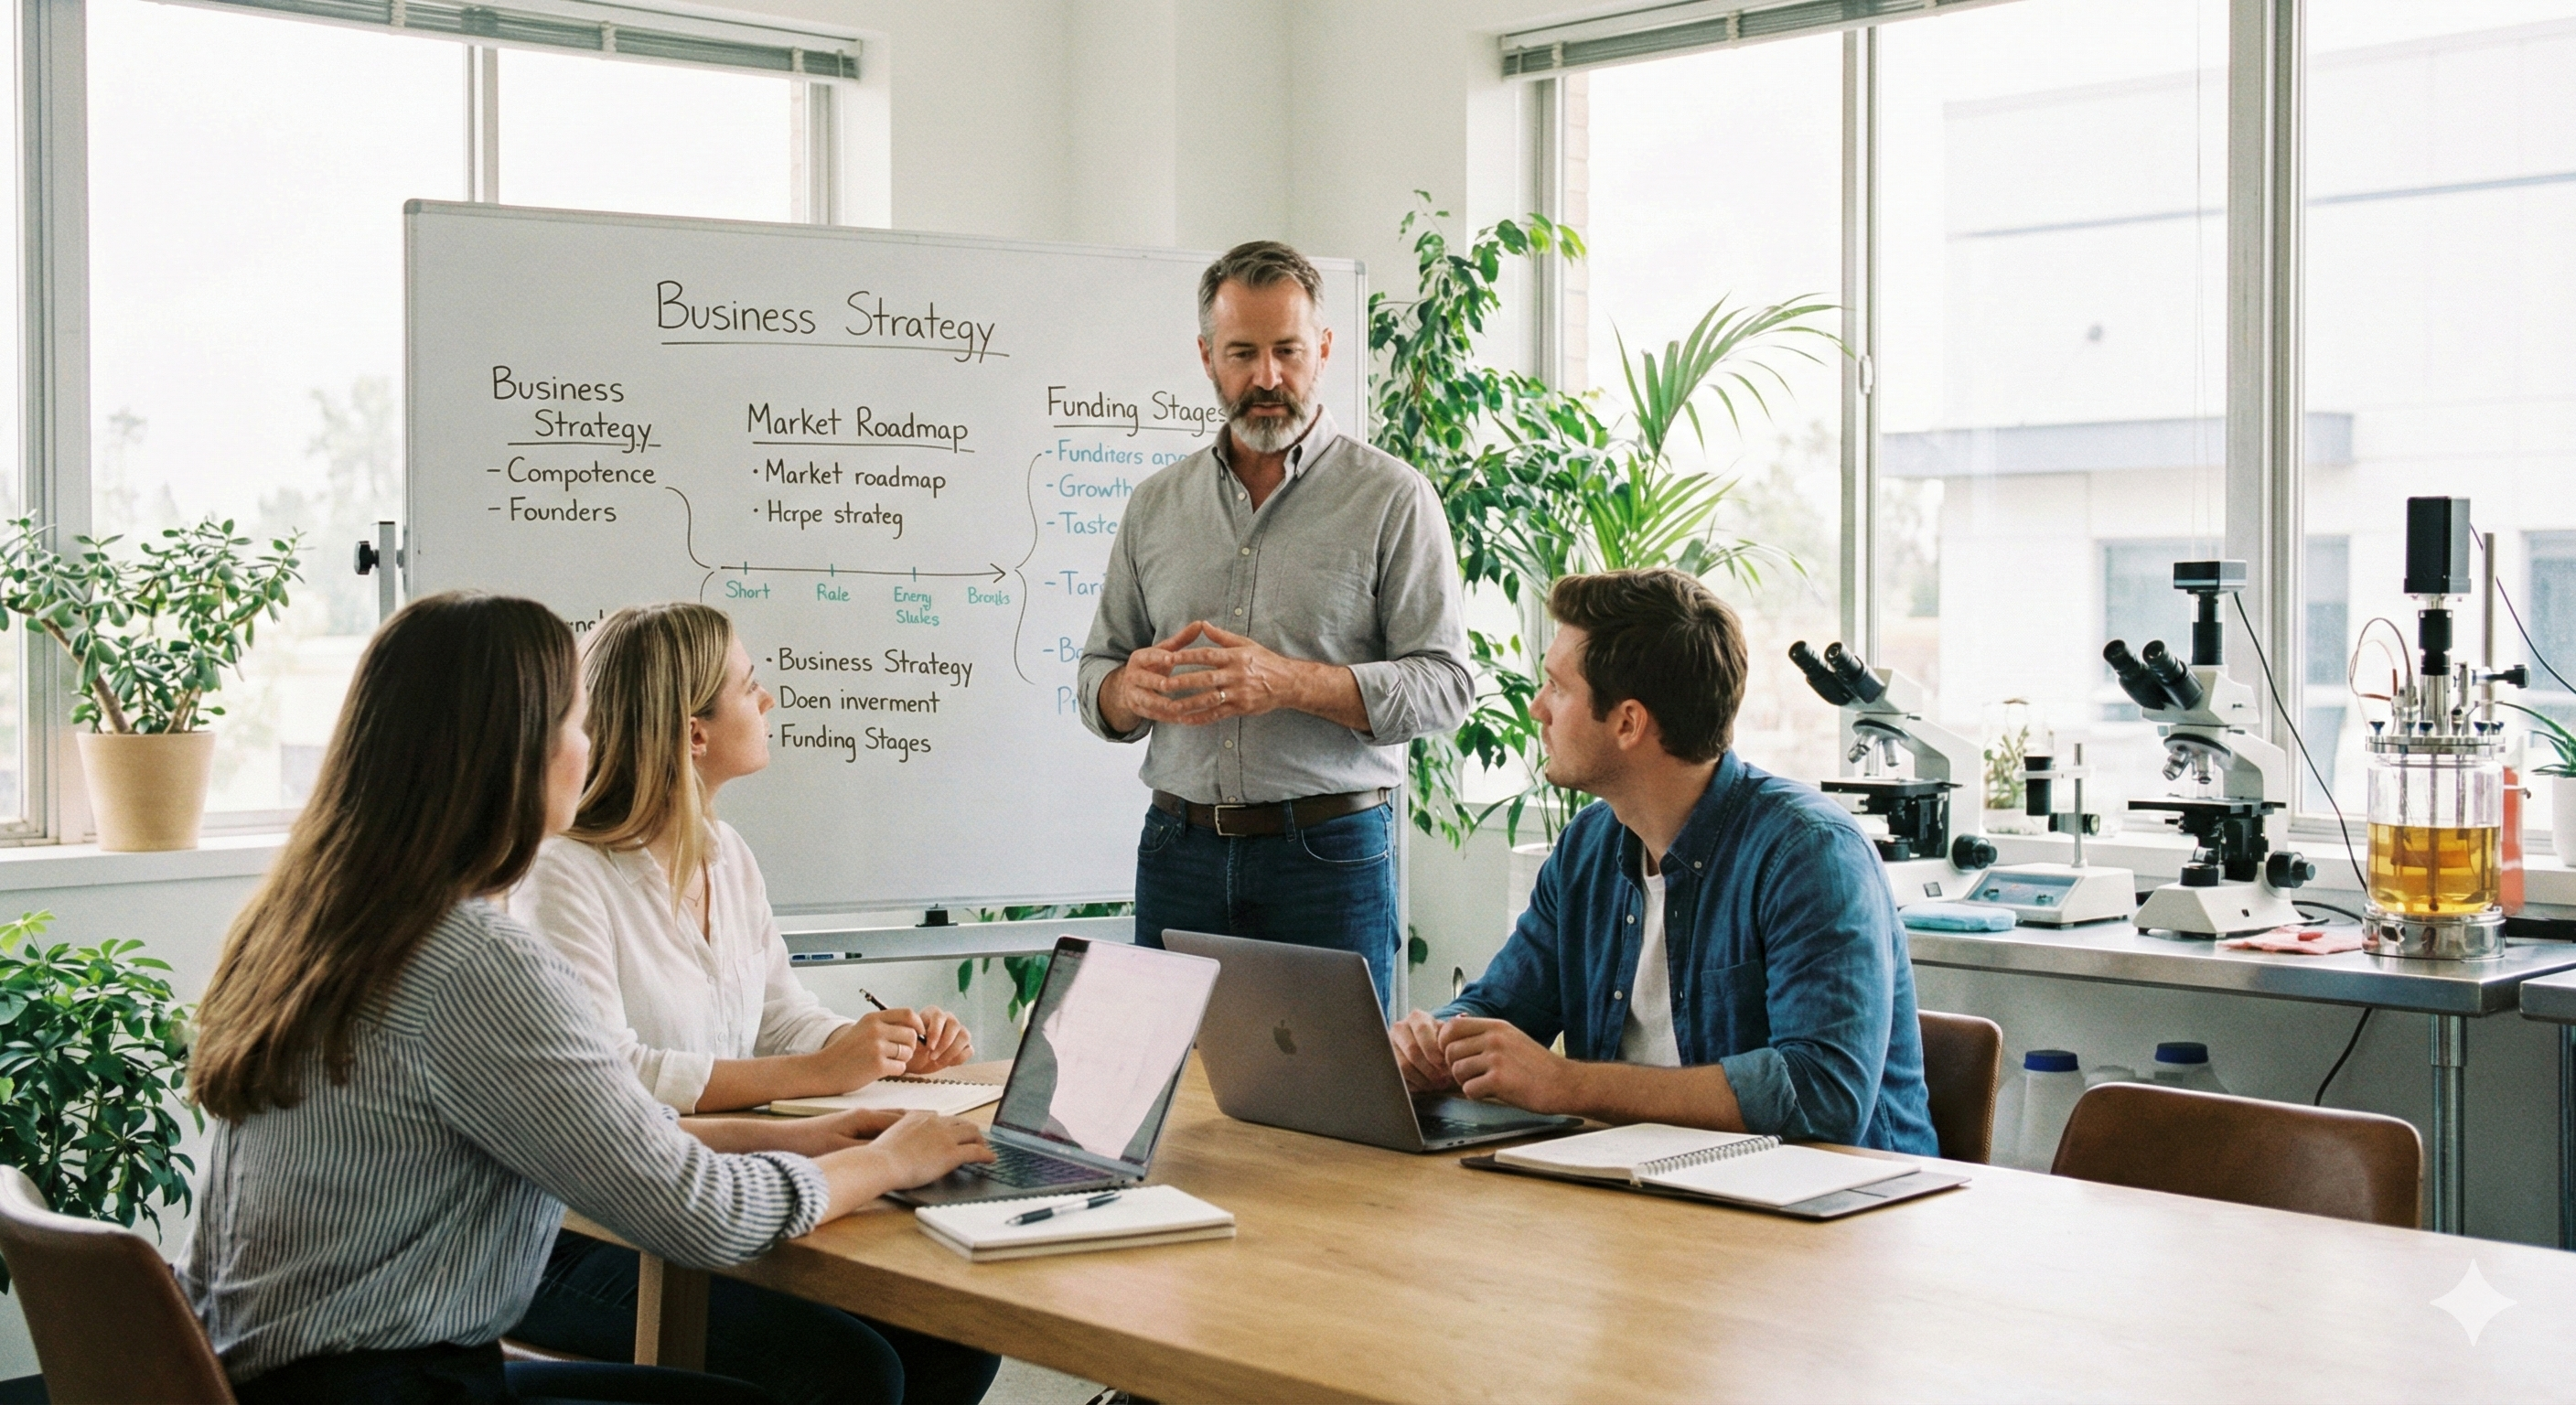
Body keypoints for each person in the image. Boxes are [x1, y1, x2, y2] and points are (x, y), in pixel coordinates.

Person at [180, 592, 994, 1405]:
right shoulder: (472, 963)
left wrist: (818, 1135)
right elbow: (700, 1215)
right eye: (578, 723)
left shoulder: (317, 921)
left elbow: (609, 1128)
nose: (593, 744)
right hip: (391, 1386)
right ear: (516, 753)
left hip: (278, 1371)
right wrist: (885, 1161)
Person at [505, 601, 996, 1405]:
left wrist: (876, 1040)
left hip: (706, 1171)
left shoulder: (726, 854)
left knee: (956, 1344)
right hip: (573, 1230)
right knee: (844, 1369)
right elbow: (609, 1082)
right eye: (751, 687)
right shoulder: (564, 871)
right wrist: (815, 1074)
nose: (769, 702)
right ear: (693, 733)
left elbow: (779, 1014)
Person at [1388, 569, 1937, 1153]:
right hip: (1645, 1192)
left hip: (1841, 1213)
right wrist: (1433, 1043)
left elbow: (1822, 1096)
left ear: (1628, 722)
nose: (1536, 708)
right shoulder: (1589, 846)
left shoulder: (1811, 853)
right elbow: (1503, 1006)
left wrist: (1568, 1084)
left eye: (1557, 687)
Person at [1078, 240, 1473, 1014]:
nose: (1268, 378)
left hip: (1328, 857)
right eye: (1243, 353)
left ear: (1322, 349)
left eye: (1288, 351)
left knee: (1337, 1112)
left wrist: (1285, 682)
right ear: (1206, 358)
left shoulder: (1394, 497)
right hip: (1177, 851)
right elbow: (1098, 675)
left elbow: (1447, 687)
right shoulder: (1156, 505)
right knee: (1164, 1105)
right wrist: (1129, 691)